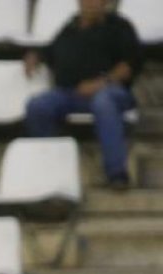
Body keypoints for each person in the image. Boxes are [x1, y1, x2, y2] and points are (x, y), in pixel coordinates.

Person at [25, 0, 143, 190]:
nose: (89, 4)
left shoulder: (119, 26)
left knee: (103, 102)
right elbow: (50, 52)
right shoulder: (70, 28)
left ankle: (116, 174)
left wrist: (101, 83)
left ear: (104, 3)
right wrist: (35, 57)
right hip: (71, 93)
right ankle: (48, 171)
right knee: (38, 105)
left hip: (112, 92)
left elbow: (129, 65)